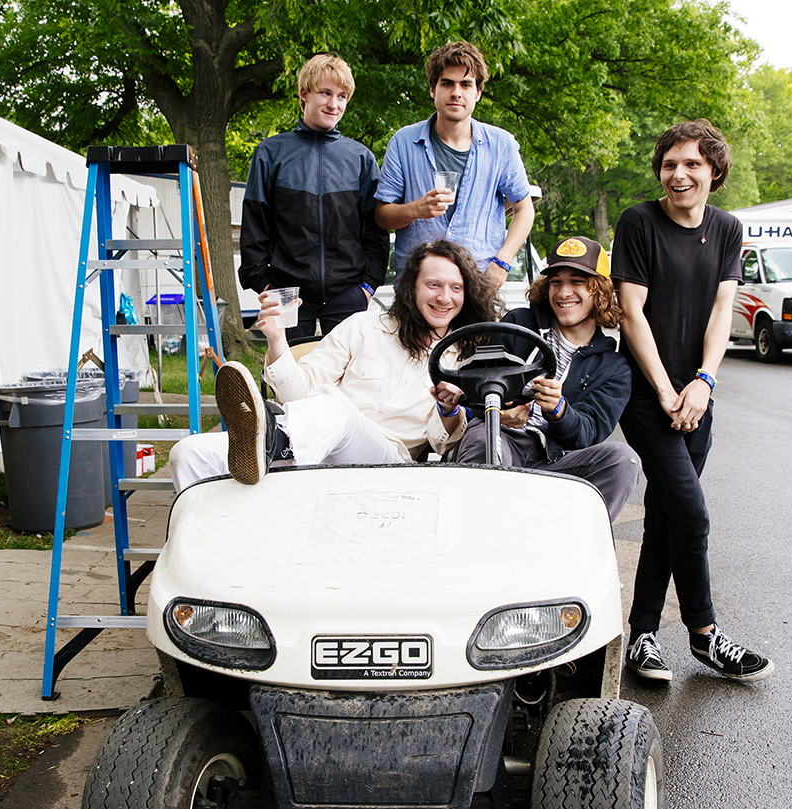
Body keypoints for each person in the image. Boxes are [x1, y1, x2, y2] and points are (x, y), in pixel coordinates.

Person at [609, 120, 774, 685]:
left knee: (666, 514)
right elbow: (631, 313)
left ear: (715, 173)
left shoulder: (728, 229)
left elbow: (722, 311)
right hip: (646, 393)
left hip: (696, 397)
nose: (678, 175)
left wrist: (703, 381)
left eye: (692, 165)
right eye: (670, 164)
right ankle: (705, 636)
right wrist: (664, 390)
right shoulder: (639, 223)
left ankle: (644, 638)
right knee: (692, 511)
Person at [168, 240, 496, 489]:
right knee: (188, 453)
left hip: (388, 463)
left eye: (456, 288)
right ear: (411, 287)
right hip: (315, 444)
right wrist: (277, 338)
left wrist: (449, 410)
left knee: (334, 406)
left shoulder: (465, 355)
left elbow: (444, 444)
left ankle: (272, 439)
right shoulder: (364, 326)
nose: (445, 298)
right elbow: (299, 395)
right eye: (434, 285)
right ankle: (209, 549)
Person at [446, 236, 640, 521]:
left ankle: (572, 547)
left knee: (624, 460)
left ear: (599, 289)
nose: (564, 292)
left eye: (577, 282)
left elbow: (588, 432)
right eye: (555, 282)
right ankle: (477, 535)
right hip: (501, 438)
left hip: (557, 459)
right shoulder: (519, 324)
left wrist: (559, 410)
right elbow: (476, 389)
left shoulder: (613, 366)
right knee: (485, 437)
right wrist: (501, 409)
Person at [237, 54, 388, 346]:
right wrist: (265, 285)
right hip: (286, 292)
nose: (334, 104)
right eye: (326, 93)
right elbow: (254, 227)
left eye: (342, 96)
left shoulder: (361, 159)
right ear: (304, 94)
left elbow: (376, 230)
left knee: (348, 381)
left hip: (348, 292)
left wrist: (368, 285)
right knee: (285, 376)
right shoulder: (270, 154)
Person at [373, 41, 533, 287]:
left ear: (477, 92)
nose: (456, 92)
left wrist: (502, 262)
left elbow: (524, 210)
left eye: (466, 84)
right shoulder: (403, 142)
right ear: (432, 89)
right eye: (447, 83)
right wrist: (416, 209)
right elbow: (382, 216)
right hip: (418, 284)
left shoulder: (501, 145)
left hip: (479, 283)